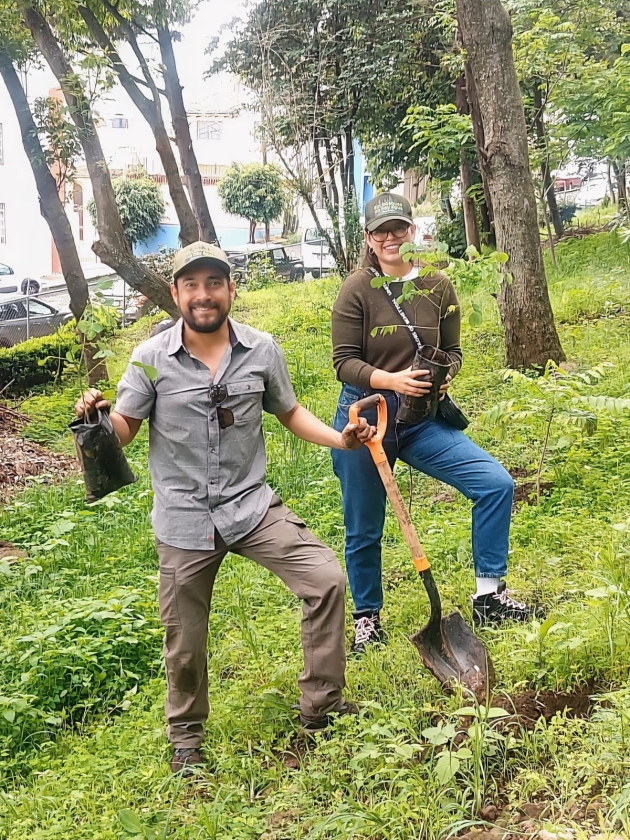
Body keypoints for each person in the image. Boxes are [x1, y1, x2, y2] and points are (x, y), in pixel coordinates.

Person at [75, 241, 374, 775]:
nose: (203, 295)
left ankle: (323, 707)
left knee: (326, 578)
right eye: (191, 285)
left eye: (214, 283)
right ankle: (186, 739)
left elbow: (290, 411)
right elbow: (124, 425)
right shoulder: (150, 359)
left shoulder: (261, 350)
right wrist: (99, 423)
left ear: (231, 289)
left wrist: (342, 439)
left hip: (250, 505)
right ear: (176, 294)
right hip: (184, 518)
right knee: (185, 639)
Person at [331, 193, 534, 655]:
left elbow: (454, 351)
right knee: (363, 524)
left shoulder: (438, 285)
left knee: (495, 483)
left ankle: (490, 595)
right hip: (365, 421)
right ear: (367, 237)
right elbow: (344, 362)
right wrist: (392, 380)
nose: (390, 238)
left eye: (398, 229)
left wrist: (445, 378)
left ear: (412, 231)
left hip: (421, 421)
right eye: (380, 231)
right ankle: (367, 617)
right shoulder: (356, 289)